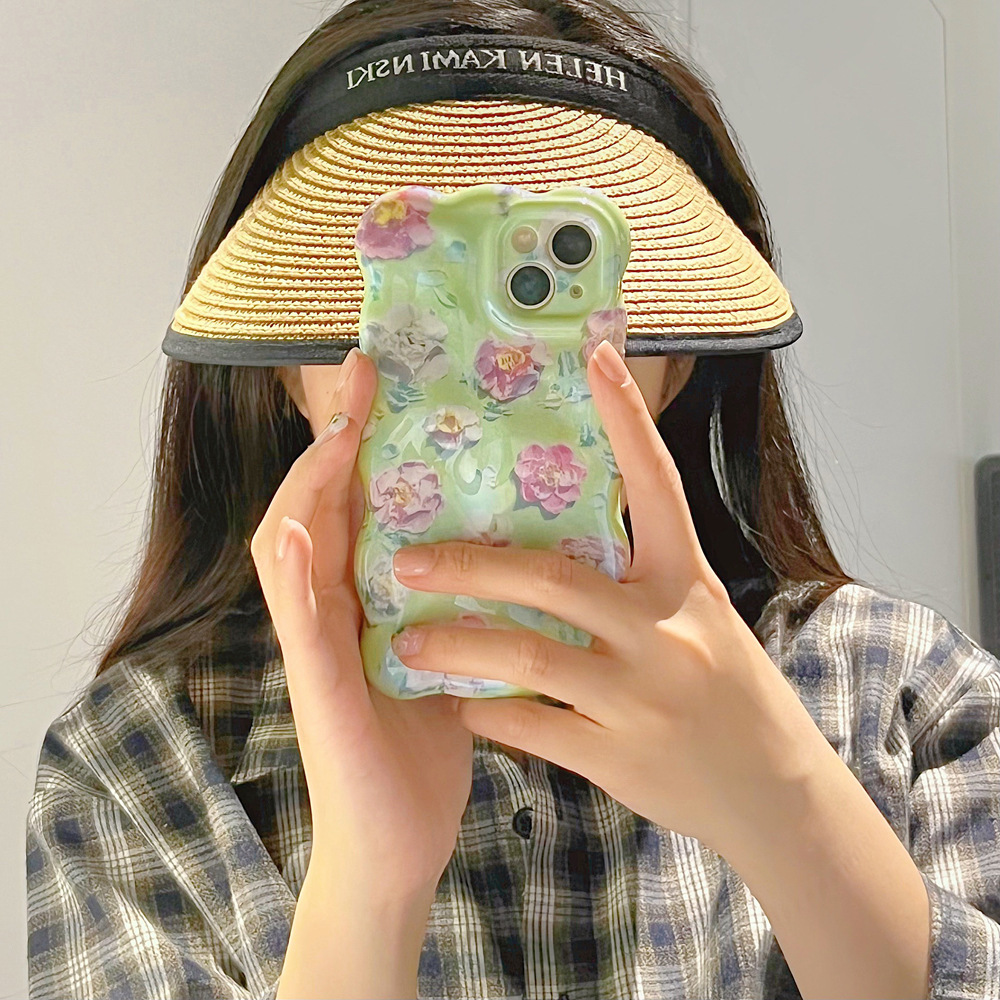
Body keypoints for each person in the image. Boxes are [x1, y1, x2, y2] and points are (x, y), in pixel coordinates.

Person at [25, 1, 1000, 998]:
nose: (489, 384)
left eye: (566, 329)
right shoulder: (138, 765)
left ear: (674, 361)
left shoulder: (904, 695)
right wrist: (369, 889)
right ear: (285, 371)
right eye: (406, 319)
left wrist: (791, 815)